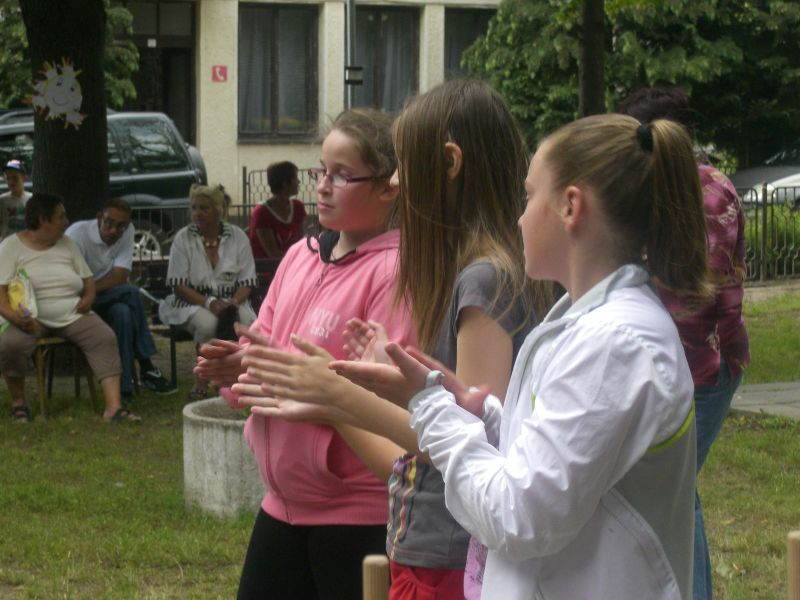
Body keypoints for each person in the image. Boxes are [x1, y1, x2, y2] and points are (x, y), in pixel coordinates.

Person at [329, 113, 711, 599]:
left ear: (570, 207)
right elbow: (557, 456)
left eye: (530, 196)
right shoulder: (588, 322)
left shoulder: (614, 342)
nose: (520, 217)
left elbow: (519, 518)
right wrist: (479, 415)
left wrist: (431, 411)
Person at [227, 80, 553, 599]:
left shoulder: (483, 279)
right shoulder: (473, 271)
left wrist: (333, 395)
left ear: (449, 163)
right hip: (435, 546)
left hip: (449, 554)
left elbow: (473, 442)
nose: (397, 182)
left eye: (403, 164)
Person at [196, 108, 417, 600]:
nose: (322, 186)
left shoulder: (396, 271)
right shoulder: (300, 255)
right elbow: (267, 345)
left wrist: (309, 384)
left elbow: (389, 396)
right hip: (280, 504)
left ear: (388, 188)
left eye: (342, 175)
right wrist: (239, 368)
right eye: (320, 170)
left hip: (357, 514)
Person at [617, 86, 750, 600]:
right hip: (674, 365)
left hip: (706, 368)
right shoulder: (654, 186)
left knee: (677, 492)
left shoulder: (709, 192)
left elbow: (700, 287)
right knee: (674, 489)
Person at [0, 192, 139, 423]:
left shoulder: (67, 244)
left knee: (104, 337)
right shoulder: (10, 247)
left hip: (73, 312)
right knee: (10, 344)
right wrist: (14, 318)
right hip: (30, 317)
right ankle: (19, 403)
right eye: (61, 217)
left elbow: (88, 280)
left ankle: (113, 409)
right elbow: (1, 295)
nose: (66, 222)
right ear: (43, 220)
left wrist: (89, 297)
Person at [66, 198, 176, 401]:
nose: (114, 230)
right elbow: (71, 283)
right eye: (109, 223)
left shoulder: (128, 231)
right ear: (99, 218)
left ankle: (124, 389)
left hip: (107, 295)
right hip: (78, 301)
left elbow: (119, 275)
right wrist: (90, 292)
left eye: (121, 226)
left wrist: (94, 290)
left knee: (123, 313)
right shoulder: (77, 234)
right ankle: (146, 365)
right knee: (132, 292)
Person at [158, 183, 257, 400]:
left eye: (204, 208)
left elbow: (247, 281)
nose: (197, 213)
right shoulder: (183, 239)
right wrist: (209, 302)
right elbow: (179, 285)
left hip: (232, 299)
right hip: (191, 300)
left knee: (245, 323)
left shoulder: (238, 237)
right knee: (208, 324)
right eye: (194, 208)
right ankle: (202, 379)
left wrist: (232, 304)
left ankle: (239, 379)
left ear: (219, 209)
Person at [248, 161, 307, 260]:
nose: (299, 182)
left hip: (293, 262)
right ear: (285, 183)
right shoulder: (262, 212)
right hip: (266, 267)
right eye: (295, 178)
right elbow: (273, 254)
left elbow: (300, 243)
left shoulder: (298, 207)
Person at [0, 159, 32, 239]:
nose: (11, 181)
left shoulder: (32, 199)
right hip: (7, 241)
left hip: (26, 241)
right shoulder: (2, 200)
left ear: (24, 178)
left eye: (15, 178)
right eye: (8, 178)